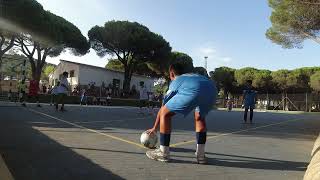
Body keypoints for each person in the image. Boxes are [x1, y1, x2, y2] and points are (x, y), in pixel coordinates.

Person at [145, 62, 217, 163]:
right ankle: (201, 155)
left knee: (165, 113)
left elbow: (162, 110)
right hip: (212, 89)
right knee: (200, 118)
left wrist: (154, 127)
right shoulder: (190, 77)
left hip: (197, 89)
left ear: (172, 74)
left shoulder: (176, 81)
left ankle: (163, 153)